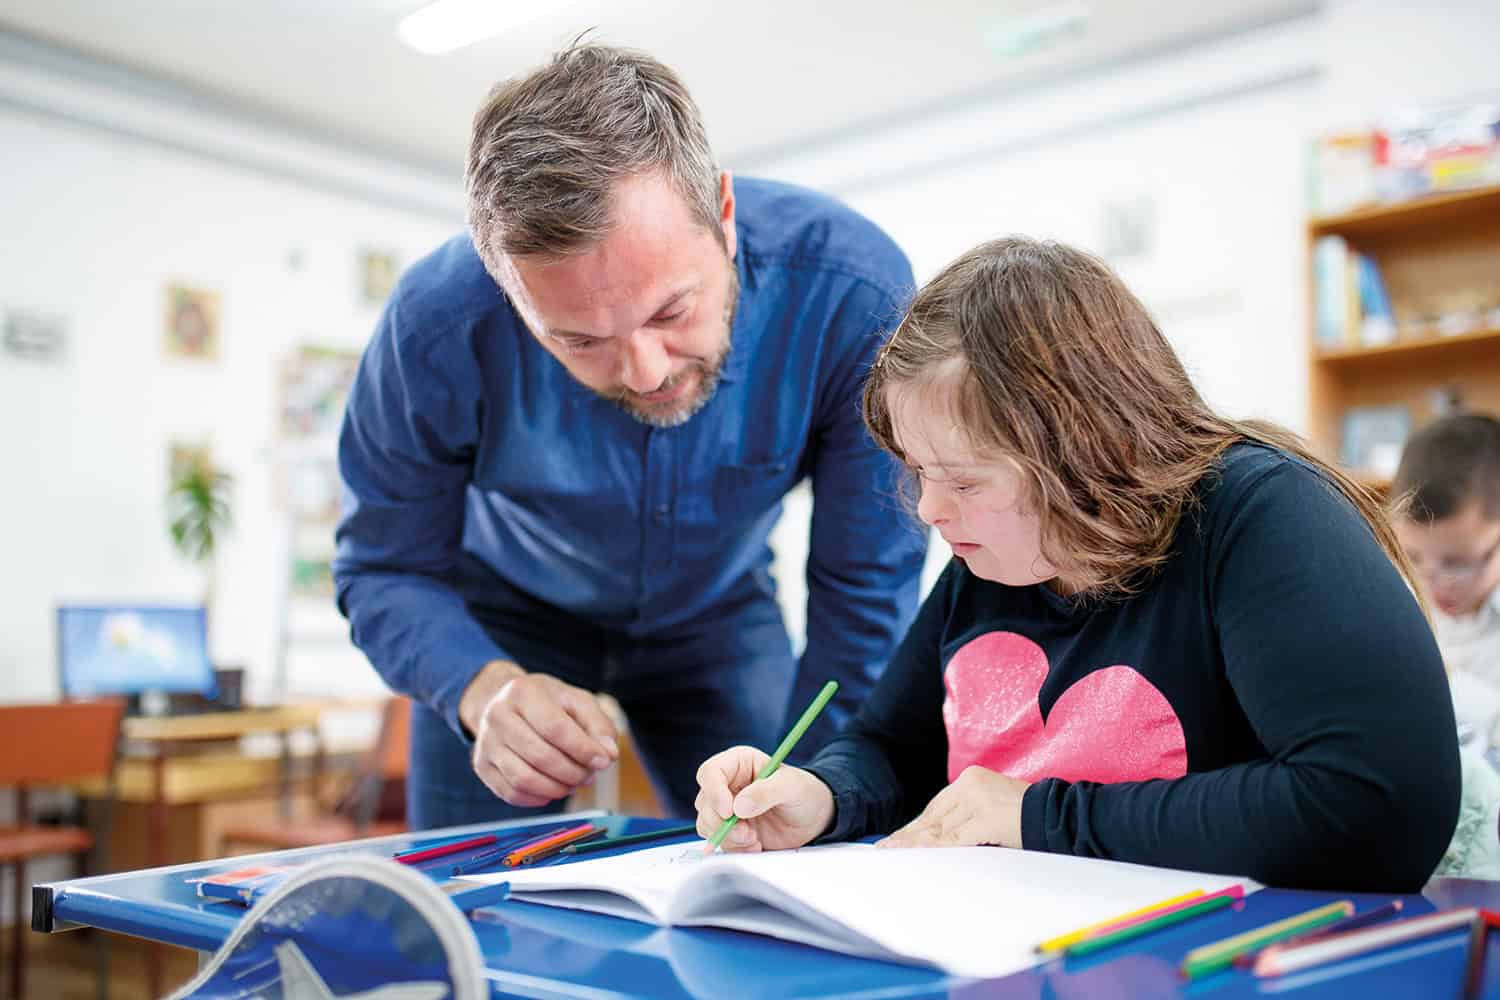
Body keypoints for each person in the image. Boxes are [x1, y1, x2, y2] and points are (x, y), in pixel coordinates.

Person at [694, 236, 1459, 891]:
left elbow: (1376, 807)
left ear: (1086, 451)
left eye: (964, 480)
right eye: (918, 471)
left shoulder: (1257, 517)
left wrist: (1034, 815)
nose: (928, 510)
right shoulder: (993, 562)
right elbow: (893, 747)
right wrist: (822, 793)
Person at [333, 44, 927, 829]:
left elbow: (866, 588)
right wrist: (480, 687)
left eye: (671, 311)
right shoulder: (433, 326)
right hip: (502, 621)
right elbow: (383, 566)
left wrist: (822, 790)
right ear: (505, 286)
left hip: (718, 616)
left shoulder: (854, 295)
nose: (646, 373)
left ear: (723, 215)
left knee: (787, 845)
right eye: (579, 340)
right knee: (464, 889)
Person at [1391, 414, 1500, 748]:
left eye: (1457, 563)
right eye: (1413, 557)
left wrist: (1447, 682)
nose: (1434, 583)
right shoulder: (1393, 595)